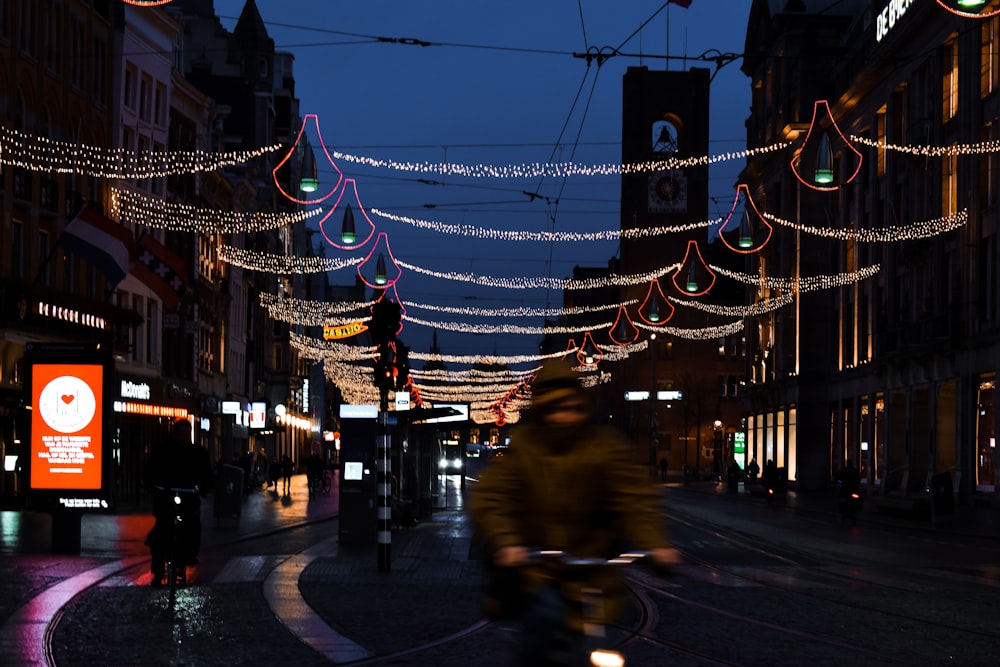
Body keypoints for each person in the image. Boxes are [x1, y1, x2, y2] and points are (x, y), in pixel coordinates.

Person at [471, 358, 680, 666]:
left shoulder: (604, 448)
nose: (563, 417)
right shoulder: (525, 448)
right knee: (542, 620)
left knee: (602, 642)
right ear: (542, 410)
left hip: (594, 575)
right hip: (538, 572)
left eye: (570, 407)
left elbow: (635, 499)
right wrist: (506, 542)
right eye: (555, 409)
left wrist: (656, 544)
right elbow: (494, 496)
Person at [143, 418, 214, 587]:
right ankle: (158, 570)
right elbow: (150, 471)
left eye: (185, 434)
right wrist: (154, 487)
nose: (182, 437)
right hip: (165, 498)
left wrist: (202, 489)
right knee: (159, 533)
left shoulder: (198, 453)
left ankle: (190, 553)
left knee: (192, 525)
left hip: (189, 498)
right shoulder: (163, 451)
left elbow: (207, 476)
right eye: (179, 434)